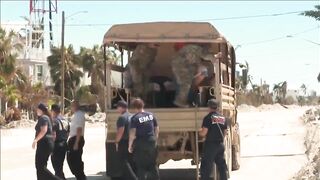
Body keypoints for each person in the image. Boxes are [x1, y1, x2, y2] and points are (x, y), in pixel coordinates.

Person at [128, 98, 160, 180]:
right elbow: (156, 128)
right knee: (152, 164)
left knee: (141, 165)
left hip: (141, 142)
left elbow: (132, 132)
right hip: (151, 141)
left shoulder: (134, 118)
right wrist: (155, 139)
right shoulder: (151, 115)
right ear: (143, 105)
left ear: (135, 108)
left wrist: (130, 145)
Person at [199, 99, 229, 180]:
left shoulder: (208, 118)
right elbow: (225, 132)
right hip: (220, 145)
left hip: (210, 146)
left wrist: (199, 133)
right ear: (217, 107)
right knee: (222, 167)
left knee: (206, 168)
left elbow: (204, 132)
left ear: (209, 107)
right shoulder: (223, 118)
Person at [32, 103, 61, 180]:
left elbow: (44, 130)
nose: (36, 111)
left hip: (44, 143)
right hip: (47, 143)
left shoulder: (43, 118)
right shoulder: (47, 118)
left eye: (38, 109)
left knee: (40, 166)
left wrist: (35, 140)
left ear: (41, 110)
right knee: (40, 166)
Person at [114, 100, 137, 180]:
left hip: (124, 142)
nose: (117, 109)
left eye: (117, 107)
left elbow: (121, 130)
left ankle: (132, 178)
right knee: (131, 161)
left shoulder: (122, 117)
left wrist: (116, 141)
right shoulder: (133, 116)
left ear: (121, 107)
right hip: (132, 141)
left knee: (124, 161)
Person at [67, 100, 87, 180]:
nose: (71, 107)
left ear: (75, 106)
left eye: (72, 105)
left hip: (76, 139)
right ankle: (79, 176)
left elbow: (79, 129)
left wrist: (76, 143)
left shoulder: (79, 115)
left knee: (75, 161)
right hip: (73, 139)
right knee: (72, 159)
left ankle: (81, 177)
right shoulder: (75, 115)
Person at [51, 104, 70, 180]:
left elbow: (54, 135)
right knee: (60, 166)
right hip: (64, 144)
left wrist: (51, 147)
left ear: (53, 111)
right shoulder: (65, 120)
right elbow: (68, 133)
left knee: (57, 167)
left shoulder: (55, 121)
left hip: (57, 146)